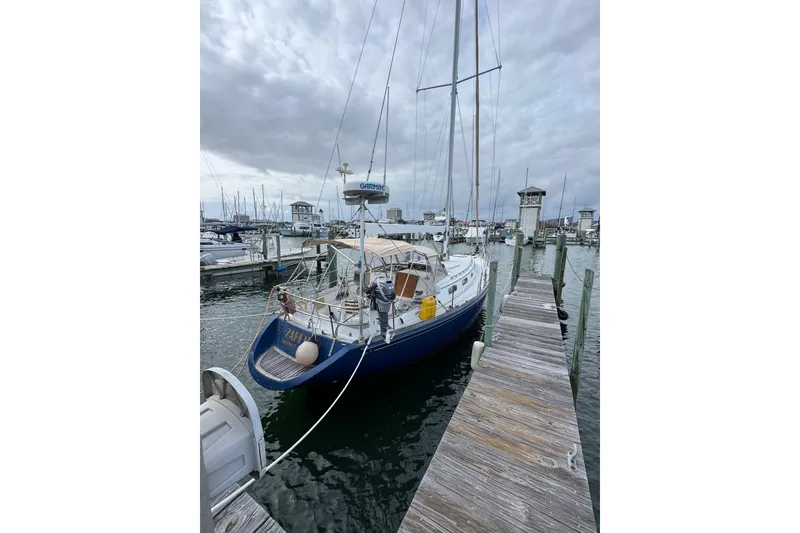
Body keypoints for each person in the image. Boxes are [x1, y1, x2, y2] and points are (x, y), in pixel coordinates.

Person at [366, 276, 396, 343]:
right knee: (383, 312)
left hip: (381, 300)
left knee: (382, 312)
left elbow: (368, 291)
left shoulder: (377, 284)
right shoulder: (381, 285)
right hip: (383, 300)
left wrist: (368, 291)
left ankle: (384, 332)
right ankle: (384, 330)